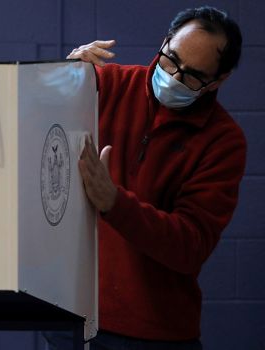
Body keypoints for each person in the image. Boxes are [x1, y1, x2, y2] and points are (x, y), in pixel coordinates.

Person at [47, 6, 246, 350]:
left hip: (155, 333)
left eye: (193, 76)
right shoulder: (104, 83)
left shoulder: (223, 141)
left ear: (218, 80)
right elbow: (37, 140)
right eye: (171, 59)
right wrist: (62, 77)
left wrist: (115, 203)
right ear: (165, 41)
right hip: (75, 320)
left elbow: (190, 246)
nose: (174, 77)